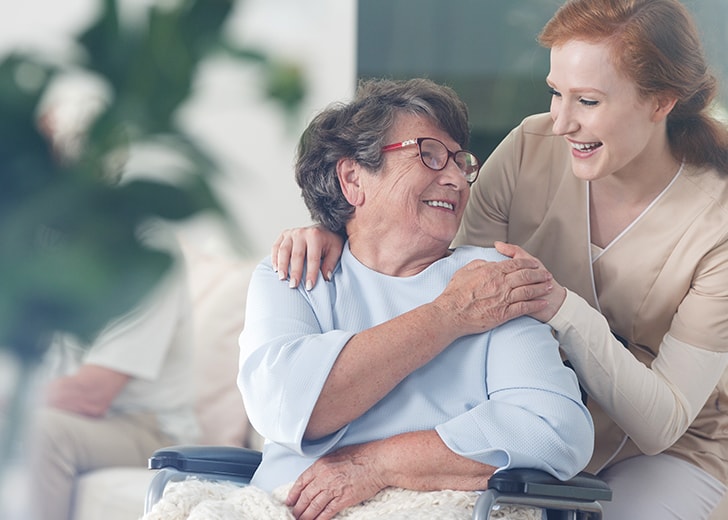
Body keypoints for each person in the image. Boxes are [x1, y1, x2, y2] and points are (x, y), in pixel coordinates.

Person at [269, 1, 728, 519]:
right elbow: (441, 271)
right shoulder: (532, 148)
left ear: (661, 102)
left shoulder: (718, 223)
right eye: (556, 93)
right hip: (525, 430)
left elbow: (661, 424)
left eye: (589, 101)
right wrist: (340, 227)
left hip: (664, 450)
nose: (561, 123)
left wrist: (560, 308)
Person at [238, 77, 594, 520]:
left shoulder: (491, 282)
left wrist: (379, 464)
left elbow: (555, 431)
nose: (456, 180)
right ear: (353, 178)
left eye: (461, 162)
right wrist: (449, 316)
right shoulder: (295, 272)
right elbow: (288, 408)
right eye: (429, 154)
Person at [28, 231, 200, 520]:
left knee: (42, 431)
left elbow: (91, 395)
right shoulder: (50, 247)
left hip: (152, 428)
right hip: (88, 420)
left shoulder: (149, 252)